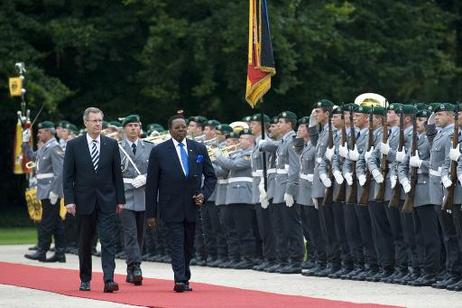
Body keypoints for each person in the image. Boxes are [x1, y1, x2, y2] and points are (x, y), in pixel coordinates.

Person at [145, 114, 217, 292]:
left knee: (188, 244)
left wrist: (204, 194)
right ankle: (180, 279)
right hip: (170, 207)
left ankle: (185, 275)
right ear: (170, 130)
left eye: (184, 127)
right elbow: (152, 185)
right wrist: (151, 213)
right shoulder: (159, 151)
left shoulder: (198, 148)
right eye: (177, 127)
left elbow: (211, 177)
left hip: (192, 206)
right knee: (176, 243)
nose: (181, 130)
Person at [63, 107, 125, 293]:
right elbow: (68, 176)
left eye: (100, 120)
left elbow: (117, 175)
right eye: (94, 121)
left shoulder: (111, 144)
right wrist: (69, 200)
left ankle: (108, 279)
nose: (98, 124)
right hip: (83, 201)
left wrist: (120, 199)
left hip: (107, 200)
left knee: (108, 241)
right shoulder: (74, 145)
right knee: (85, 242)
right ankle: (85, 279)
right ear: (86, 123)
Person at [23, 121, 66, 263]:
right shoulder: (45, 147)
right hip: (44, 190)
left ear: (48, 132)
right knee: (56, 222)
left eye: (40, 132)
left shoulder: (54, 148)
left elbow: (60, 172)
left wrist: (55, 191)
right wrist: (25, 142)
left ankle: (42, 251)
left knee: (47, 222)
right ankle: (60, 253)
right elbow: (32, 157)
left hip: (50, 191)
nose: (38, 134)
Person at [119, 114, 154, 285]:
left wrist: (146, 177)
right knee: (130, 232)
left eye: (136, 125)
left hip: (143, 194)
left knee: (140, 234)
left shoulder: (149, 147)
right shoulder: (117, 147)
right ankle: (136, 265)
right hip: (125, 195)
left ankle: (130, 268)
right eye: (130, 125)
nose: (133, 128)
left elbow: (156, 169)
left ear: (140, 128)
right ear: (124, 128)